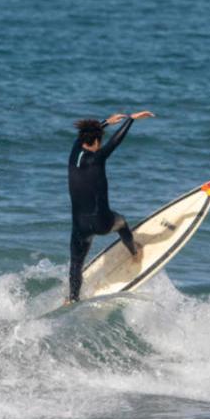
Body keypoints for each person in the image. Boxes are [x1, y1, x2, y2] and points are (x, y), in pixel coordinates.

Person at [66, 109, 155, 304]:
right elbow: (115, 142)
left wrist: (105, 122)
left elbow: (84, 135)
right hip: (102, 222)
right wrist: (130, 120)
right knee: (122, 223)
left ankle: (72, 298)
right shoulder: (97, 158)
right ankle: (134, 251)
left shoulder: (74, 154)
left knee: (76, 264)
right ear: (96, 142)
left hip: (79, 226)